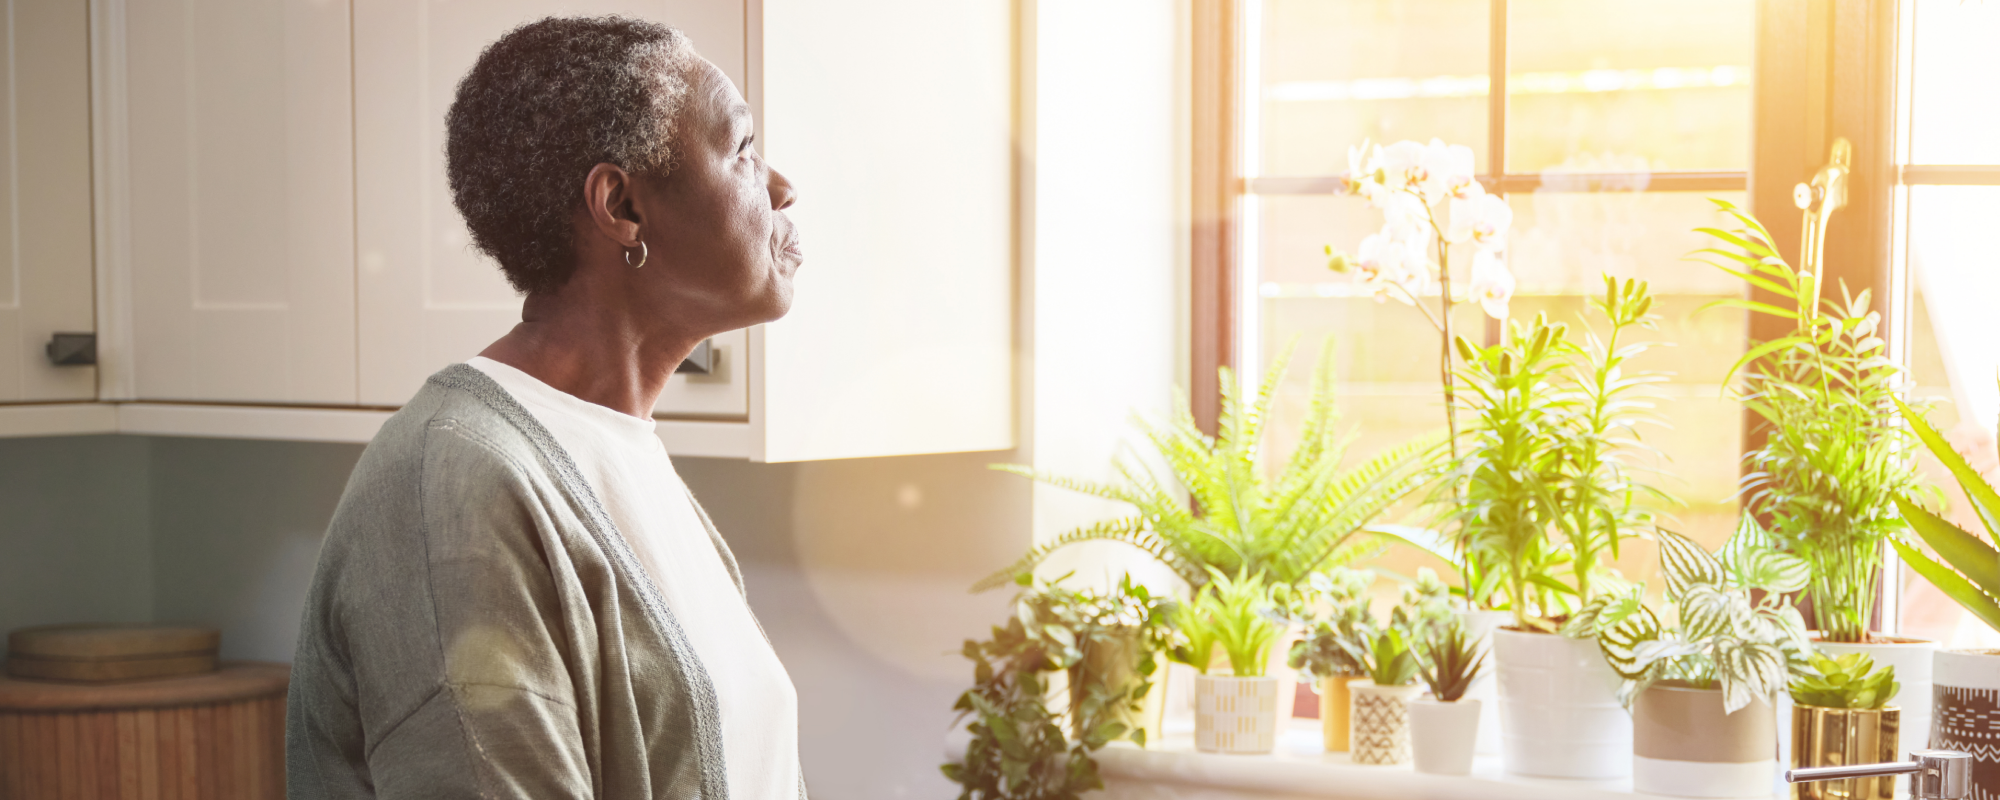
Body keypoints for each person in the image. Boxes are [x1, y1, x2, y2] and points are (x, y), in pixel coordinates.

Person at [286, 16, 805, 799]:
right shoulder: (456, 485)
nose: (780, 187)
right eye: (740, 150)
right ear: (622, 207)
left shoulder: (623, 456)